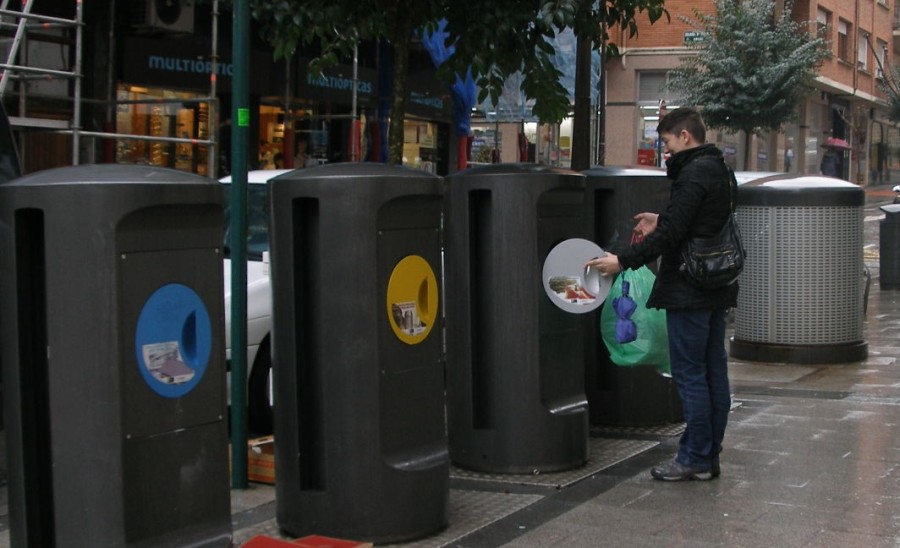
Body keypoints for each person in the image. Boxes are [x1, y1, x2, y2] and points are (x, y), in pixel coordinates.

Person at [585, 106, 738, 481]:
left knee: (689, 374)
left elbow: (672, 237)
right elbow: (696, 223)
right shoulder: (718, 168)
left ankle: (694, 457)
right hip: (715, 284)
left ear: (685, 136)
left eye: (667, 142)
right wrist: (662, 219)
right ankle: (708, 453)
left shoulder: (694, 174)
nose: (665, 150)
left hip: (690, 287)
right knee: (713, 370)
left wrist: (622, 261)